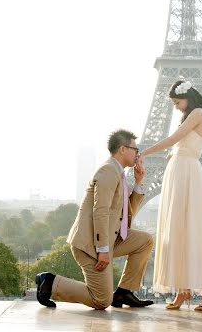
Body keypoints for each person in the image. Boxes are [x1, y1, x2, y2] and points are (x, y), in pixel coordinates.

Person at [36, 129, 154, 310]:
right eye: (135, 149)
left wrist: (139, 182)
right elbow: (100, 211)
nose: (137, 154)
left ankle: (124, 292)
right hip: (91, 244)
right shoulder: (108, 171)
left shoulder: (119, 173)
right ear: (123, 149)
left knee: (145, 240)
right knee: (101, 300)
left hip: (111, 237)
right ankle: (50, 282)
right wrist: (103, 249)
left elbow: (127, 214)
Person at [139, 79, 202, 311]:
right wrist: (174, 155)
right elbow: (182, 144)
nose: (176, 106)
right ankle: (182, 290)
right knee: (177, 230)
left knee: (192, 230)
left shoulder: (197, 113)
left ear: (188, 97)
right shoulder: (192, 114)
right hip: (179, 172)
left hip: (187, 172)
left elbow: (174, 139)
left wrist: (146, 151)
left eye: (177, 102)